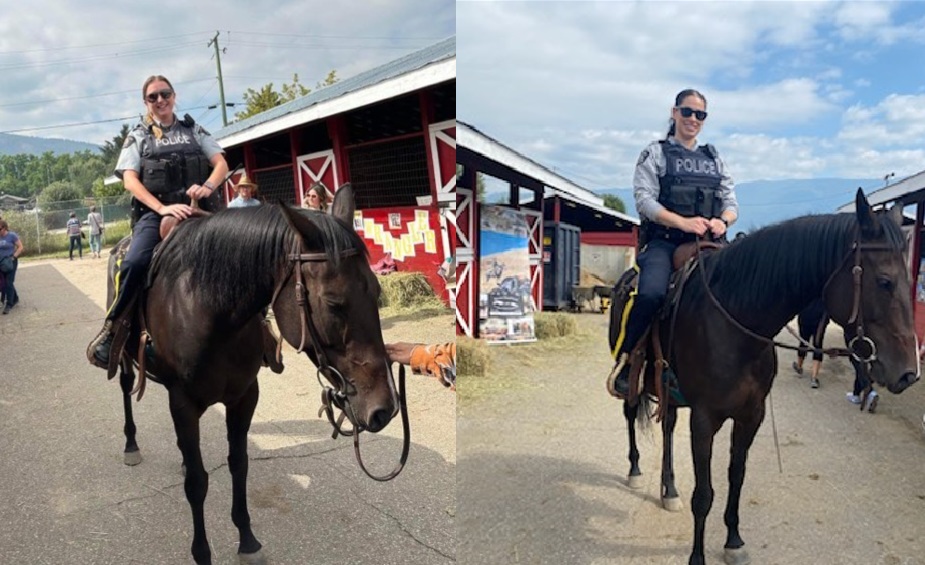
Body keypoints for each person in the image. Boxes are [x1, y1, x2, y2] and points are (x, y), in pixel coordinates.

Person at [88, 74, 229, 368]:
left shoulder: (194, 129)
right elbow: (130, 180)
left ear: (174, 96)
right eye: (153, 97)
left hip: (199, 210)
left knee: (245, 252)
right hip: (156, 213)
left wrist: (208, 187)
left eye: (165, 94)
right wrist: (162, 208)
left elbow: (221, 164)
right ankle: (114, 331)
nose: (160, 100)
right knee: (134, 262)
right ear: (146, 103)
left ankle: (261, 329)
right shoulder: (138, 135)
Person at [607, 88, 738, 398]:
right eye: (687, 112)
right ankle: (627, 360)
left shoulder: (714, 158)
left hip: (709, 240)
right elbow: (644, 201)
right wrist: (682, 222)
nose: (693, 119)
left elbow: (730, 201)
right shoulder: (655, 153)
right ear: (674, 112)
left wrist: (724, 220)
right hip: (664, 243)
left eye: (700, 114)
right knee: (651, 294)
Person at [792, 298, 828, 388]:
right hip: (819, 318)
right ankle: (814, 377)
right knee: (817, 346)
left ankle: (800, 367)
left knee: (804, 342)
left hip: (806, 316)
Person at [0, 219, 24, 314]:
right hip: (1, 262)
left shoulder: (11, 235)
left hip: (10, 262)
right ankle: (15, 298)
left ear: (5, 228)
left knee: (9, 282)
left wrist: (13, 257)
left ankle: (9, 304)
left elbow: (21, 247)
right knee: (5, 283)